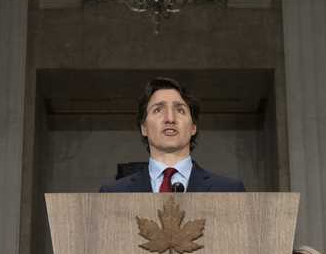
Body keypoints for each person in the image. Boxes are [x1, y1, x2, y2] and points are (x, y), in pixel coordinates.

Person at [98, 76, 246, 193]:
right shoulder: (113, 193)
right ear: (144, 128)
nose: (170, 118)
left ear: (193, 127)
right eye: (158, 110)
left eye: (180, 110)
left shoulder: (229, 190)